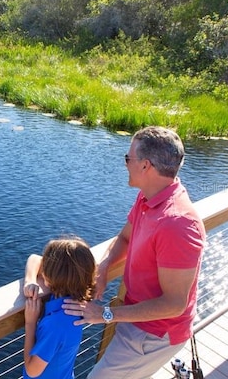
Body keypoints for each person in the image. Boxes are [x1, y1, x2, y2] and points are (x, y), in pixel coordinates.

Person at [62, 126, 206, 378]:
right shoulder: (148, 197)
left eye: (129, 158)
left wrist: (106, 314)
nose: (125, 163)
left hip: (154, 334)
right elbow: (126, 238)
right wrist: (105, 268)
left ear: (145, 166)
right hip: (136, 319)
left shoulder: (178, 224)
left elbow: (174, 304)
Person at [22, 236, 96, 379]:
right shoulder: (75, 303)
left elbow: (32, 370)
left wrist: (30, 323)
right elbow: (35, 259)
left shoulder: (56, 325)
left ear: (48, 278)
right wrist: (29, 281)